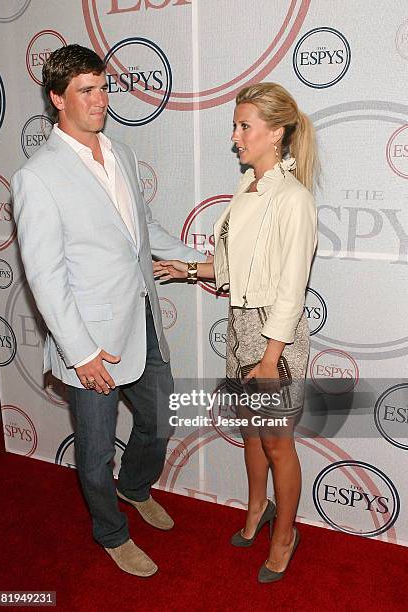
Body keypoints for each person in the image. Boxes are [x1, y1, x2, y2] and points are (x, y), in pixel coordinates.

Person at [11, 44, 206, 577]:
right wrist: (81, 353)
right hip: (89, 339)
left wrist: (203, 260)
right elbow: (45, 278)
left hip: (139, 318)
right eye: (86, 91)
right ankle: (111, 532)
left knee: (162, 415)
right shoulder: (37, 177)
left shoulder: (120, 153)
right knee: (95, 451)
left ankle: (136, 487)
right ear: (57, 98)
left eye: (103, 88)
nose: (100, 100)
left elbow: (144, 233)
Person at [154, 82, 318, 583]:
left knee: (276, 443)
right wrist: (185, 271)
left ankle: (285, 534)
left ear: (277, 133)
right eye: (235, 125)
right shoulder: (247, 189)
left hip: (275, 334)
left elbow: (291, 286)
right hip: (241, 325)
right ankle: (255, 511)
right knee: (251, 432)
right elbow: (232, 267)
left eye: (244, 126)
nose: (235, 136)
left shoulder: (293, 199)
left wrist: (270, 357)